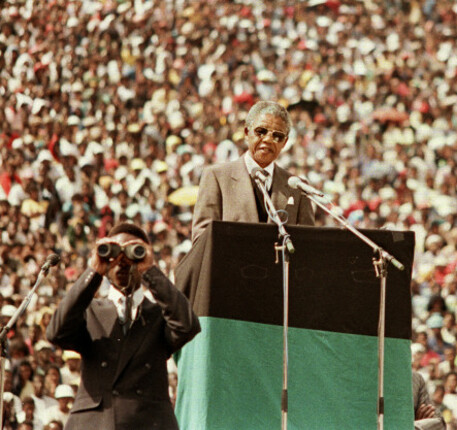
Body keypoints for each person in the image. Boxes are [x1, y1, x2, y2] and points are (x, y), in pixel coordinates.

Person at [46, 223, 201, 430]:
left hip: (148, 422)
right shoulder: (90, 311)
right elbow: (56, 332)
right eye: (115, 253)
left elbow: (187, 325)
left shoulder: (160, 314)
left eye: (132, 252)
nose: (122, 262)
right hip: (94, 423)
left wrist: (150, 271)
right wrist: (94, 272)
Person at [191, 101, 315, 244]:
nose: (268, 139)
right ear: (246, 133)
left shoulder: (297, 187)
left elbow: (308, 244)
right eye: (261, 131)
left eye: (277, 136)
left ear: (285, 142)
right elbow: (202, 240)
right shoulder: (217, 177)